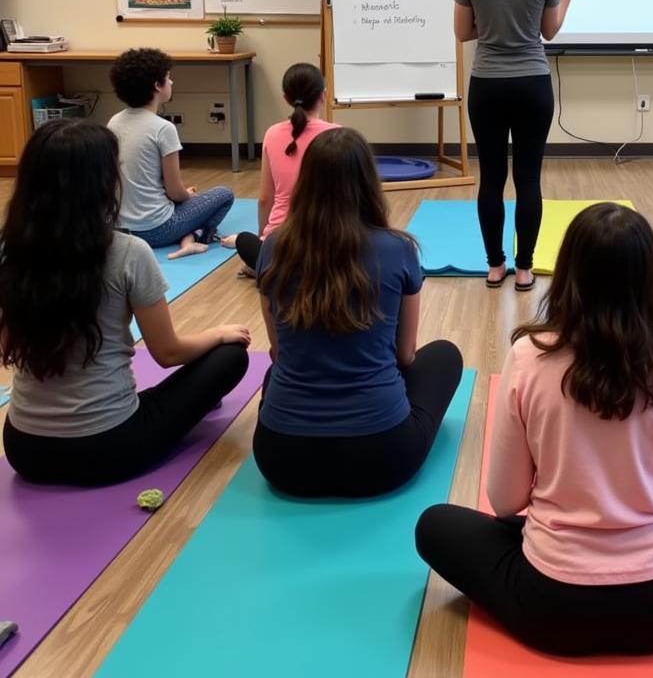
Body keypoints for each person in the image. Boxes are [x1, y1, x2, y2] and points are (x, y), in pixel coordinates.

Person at [415, 202, 653, 657]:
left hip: (549, 607)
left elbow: (506, 503)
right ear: (650, 282)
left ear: (567, 275)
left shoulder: (528, 357)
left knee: (435, 525)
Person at [0, 119, 251, 487]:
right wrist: (217, 333)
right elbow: (167, 353)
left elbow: (7, 344)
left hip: (25, 448)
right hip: (110, 447)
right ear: (102, 183)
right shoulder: (127, 252)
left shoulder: (8, 249)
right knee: (231, 356)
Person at [253, 127, 463, 498]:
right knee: (445, 355)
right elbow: (405, 355)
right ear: (369, 182)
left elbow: (279, 352)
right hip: (382, 457)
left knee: (278, 371)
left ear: (307, 182)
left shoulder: (273, 248)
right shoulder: (398, 249)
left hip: (282, 459)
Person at [454, 0, 591, 292]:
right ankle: (526, 269)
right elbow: (548, 32)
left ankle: (495, 267)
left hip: (488, 87)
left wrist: (494, 27)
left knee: (492, 179)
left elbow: (463, 32)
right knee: (529, 179)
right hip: (533, 85)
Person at [108, 47, 235, 259]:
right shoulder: (163, 129)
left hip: (119, 230)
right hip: (157, 230)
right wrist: (189, 195)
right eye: (169, 78)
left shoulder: (114, 121)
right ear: (157, 86)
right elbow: (175, 193)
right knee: (225, 194)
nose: (172, 83)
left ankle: (188, 236)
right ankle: (195, 236)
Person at [222, 63, 338, 274]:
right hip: (330, 243)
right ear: (323, 95)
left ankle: (264, 264)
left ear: (286, 98)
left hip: (281, 245)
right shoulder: (339, 135)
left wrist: (263, 240)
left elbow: (266, 198)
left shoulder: (272, 134)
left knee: (243, 241)